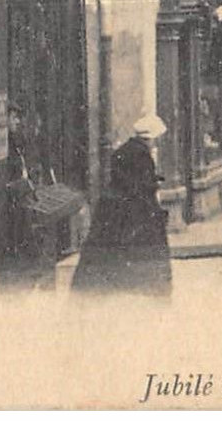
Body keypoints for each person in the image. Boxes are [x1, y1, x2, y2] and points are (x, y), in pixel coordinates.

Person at [72, 116, 172, 298]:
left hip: (113, 210)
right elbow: (141, 186)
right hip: (134, 211)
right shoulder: (142, 155)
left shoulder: (123, 150)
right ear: (150, 138)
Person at [0, 105, 58, 291]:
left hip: (24, 198)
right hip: (14, 202)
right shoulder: (6, 145)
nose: (17, 121)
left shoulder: (17, 143)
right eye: (14, 117)